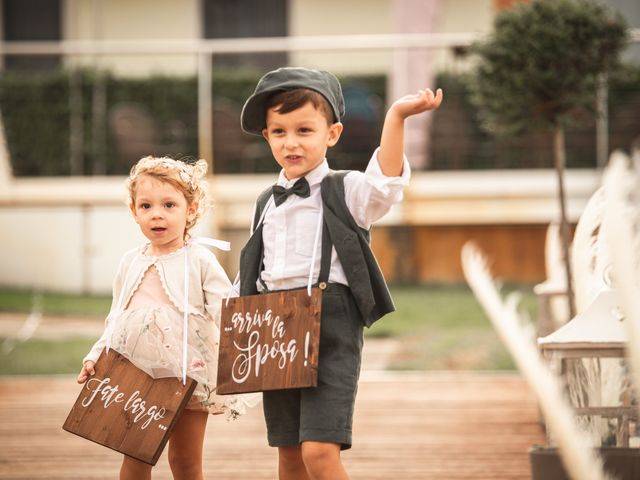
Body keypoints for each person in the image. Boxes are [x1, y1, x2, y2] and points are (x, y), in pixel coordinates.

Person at [238, 66, 443, 480]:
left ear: (332, 134)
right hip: (275, 327)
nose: (290, 142)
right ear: (267, 137)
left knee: (319, 452)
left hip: (331, 324)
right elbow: (254, 269)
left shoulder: (346, 189)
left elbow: (385, 183)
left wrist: (396, 117)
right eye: (279, 132)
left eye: (304, 130)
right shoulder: (265, 202)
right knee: (289, 453)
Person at [77, 156, 256, 480]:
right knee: (135, 458)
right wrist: (95, 356)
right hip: (135, 375)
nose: (156, 214)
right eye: (146, 206)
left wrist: (245, 346)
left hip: (187, 376)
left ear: (191, 209)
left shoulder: (199, 259)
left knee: (185, 462)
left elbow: (226, 310)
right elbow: (116, 315)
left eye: (169, 205)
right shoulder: (130, 262)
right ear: (134, 211)